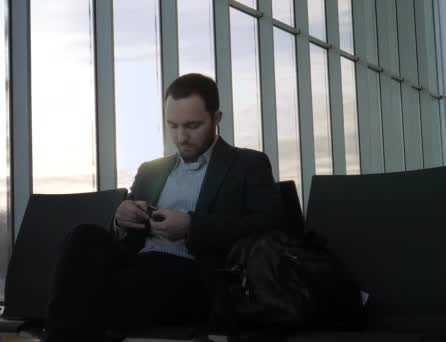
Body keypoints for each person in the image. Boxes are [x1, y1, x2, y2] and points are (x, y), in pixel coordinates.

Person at [45, 73, 285, 341]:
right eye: (173, 126)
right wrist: (122, 217)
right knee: (83, 237)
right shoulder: (152, 170)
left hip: (198, 275)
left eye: (193, 126)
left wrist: (192, 226)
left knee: (85, 294)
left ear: (217, 119)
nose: (181, 137)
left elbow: (271, 224)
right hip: (139, 264)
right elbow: (123, 234)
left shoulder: (246, 164)